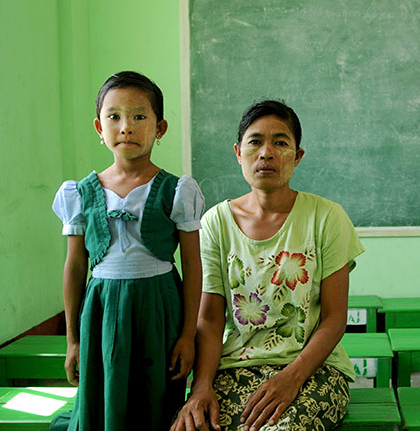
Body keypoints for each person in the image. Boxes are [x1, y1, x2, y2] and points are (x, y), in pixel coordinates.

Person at [171, 100, 364, 431]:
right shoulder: (216, 223)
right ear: (238, 152)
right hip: (233, 366)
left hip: (312, 369)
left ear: (297, 156)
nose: (266, 153)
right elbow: (210, 318)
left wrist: (291, 378)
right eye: (255, 141)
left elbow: (334, 319)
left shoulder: (327, 218)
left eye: (280, 142)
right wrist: (200, 387)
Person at [50, 71, 204, 431]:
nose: (126, 127)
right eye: (114, 116)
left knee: (157, 401)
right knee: (104, 399)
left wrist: (186, 335)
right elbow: (75, 267)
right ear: (99, 128)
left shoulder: (178, 190)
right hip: (101, 308)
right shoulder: (80, 193)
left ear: (160, 127)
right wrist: (73, 340)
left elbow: (194, 264)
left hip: (160, 306)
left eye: (139, 116)